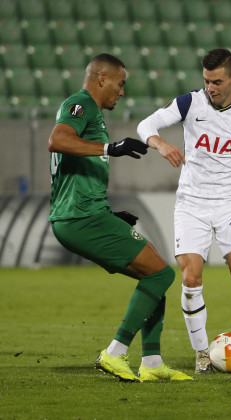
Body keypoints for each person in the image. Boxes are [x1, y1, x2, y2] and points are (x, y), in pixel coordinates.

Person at [137, 48, 231, 374]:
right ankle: (202, 355)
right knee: (191, 279)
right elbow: (146, 124)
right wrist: (160, 144)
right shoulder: (189, 103)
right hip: (191, 205)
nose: (211, 88)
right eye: (207, 81)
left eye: (218, 82)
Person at [48, 53, 191, 382]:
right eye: (120, 83)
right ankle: (114, 354)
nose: (122, 91)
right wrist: (109, 149)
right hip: (79, 218)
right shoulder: (79, 104)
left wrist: (112, 214)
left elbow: (76, 174)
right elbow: (56, 140)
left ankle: (152, 364)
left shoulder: (92, 113)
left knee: (155, 275)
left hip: (86, 214)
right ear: (102, 79)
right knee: (160, 274)